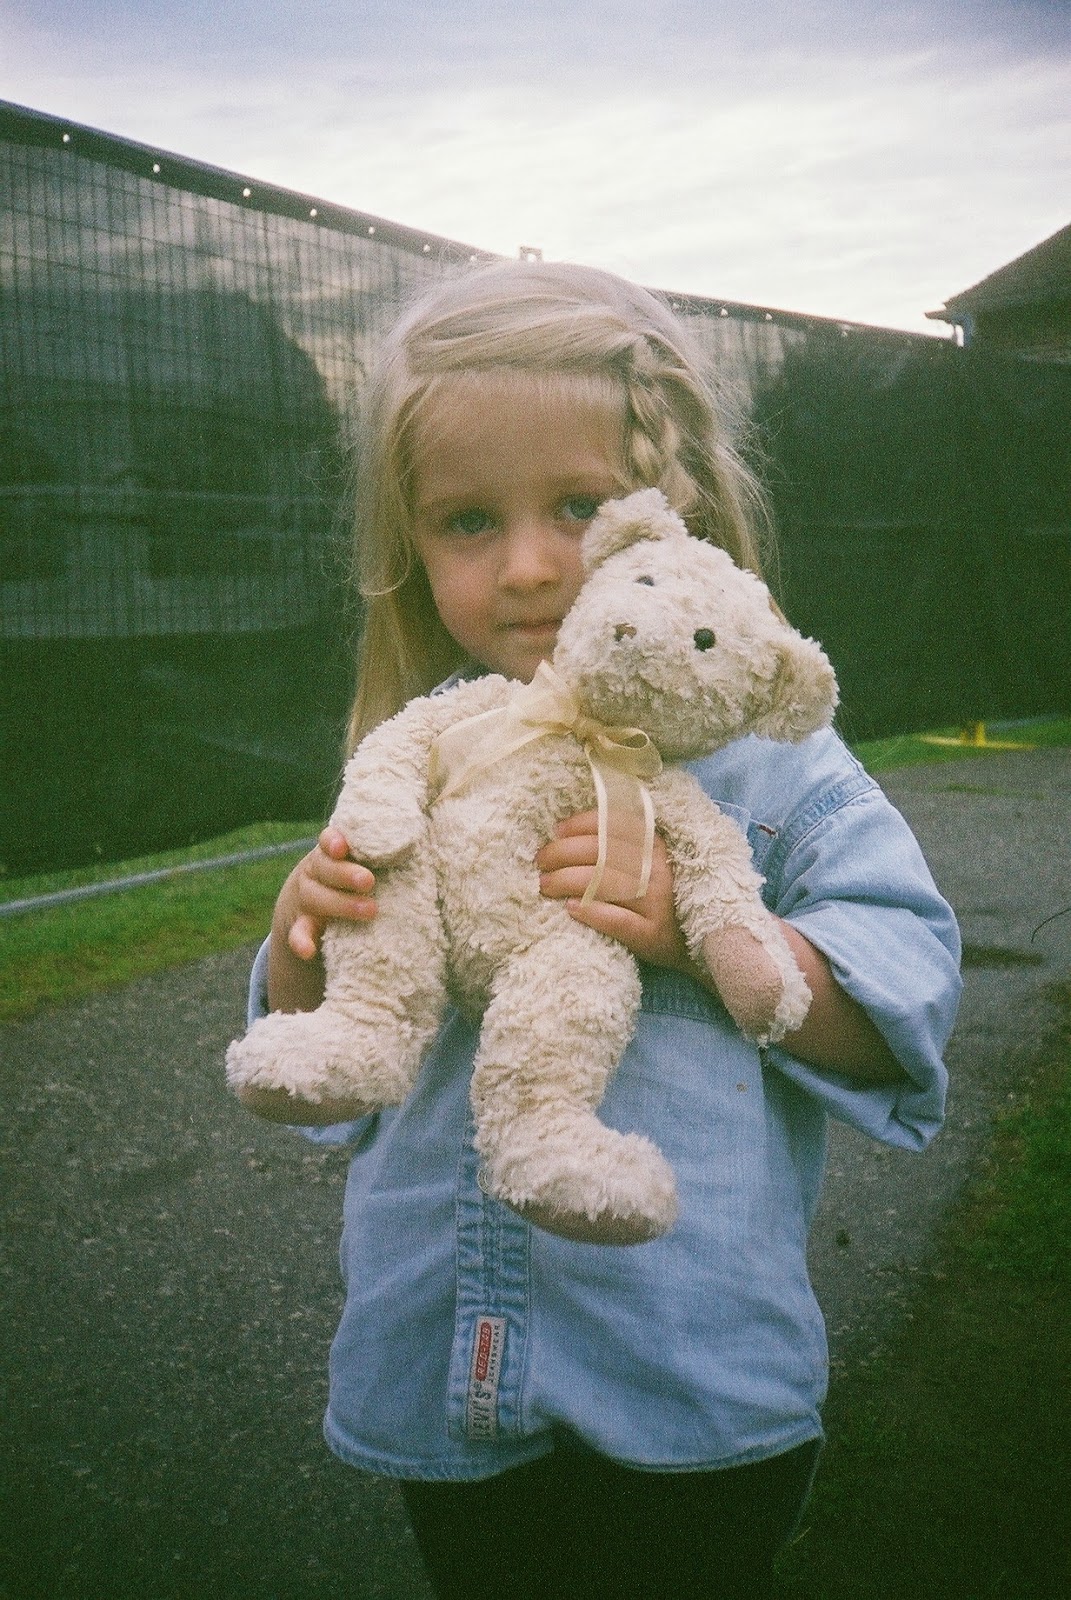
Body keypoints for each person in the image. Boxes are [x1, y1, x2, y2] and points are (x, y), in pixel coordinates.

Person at [241, 260, 961, 1599]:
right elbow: (329, 1056)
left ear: (672, 512)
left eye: (575, 507)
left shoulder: (776, 774)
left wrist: (703, 936)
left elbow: (904, 1008)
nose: (526, 566)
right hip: (442, 1377)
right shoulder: (431, 756)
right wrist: (301, 941)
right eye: (467, 520)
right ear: (410, 546)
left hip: (688, 1389)